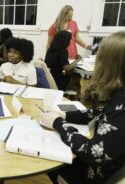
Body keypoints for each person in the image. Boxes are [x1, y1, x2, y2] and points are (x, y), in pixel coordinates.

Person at [40, 31, 125, 184]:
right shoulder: (120, 97)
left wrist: (58, 123)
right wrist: (65, 115)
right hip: (109, 165)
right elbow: (101, 113)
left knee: (51, 163)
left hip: (99, 174)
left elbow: (94, 152)